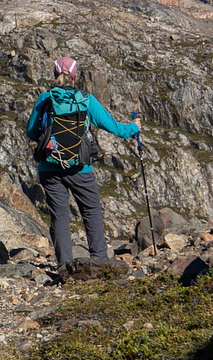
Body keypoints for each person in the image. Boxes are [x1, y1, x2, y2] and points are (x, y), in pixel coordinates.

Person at [25, 56, 139, 269]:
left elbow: (32, 132)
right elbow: (115, 128)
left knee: (59, 216)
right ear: (76, 76)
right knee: (91, 210)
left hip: (50, 166)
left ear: (55, 74)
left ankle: (64, 267)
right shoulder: (86, 100)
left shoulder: (45, 98)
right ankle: (99, 261)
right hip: (80, 166)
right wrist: (134, 127)